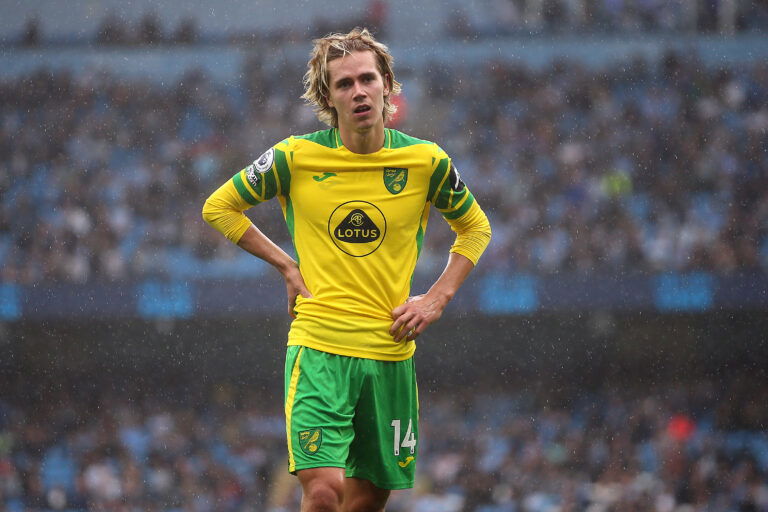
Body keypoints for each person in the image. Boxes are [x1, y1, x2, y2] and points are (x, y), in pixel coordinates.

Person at [202, 27, 491, 512]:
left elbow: (476, 228)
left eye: (367, 79)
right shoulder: (294, 157)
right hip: (320, 349)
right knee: (323, 491)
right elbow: (219, 207)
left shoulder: (425, 161)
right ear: (327, 97)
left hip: (390, 353)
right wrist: (286, 265)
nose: (358, 91)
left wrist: (437, 296)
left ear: (386, 86)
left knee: (365, 501)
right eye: (343, 84)